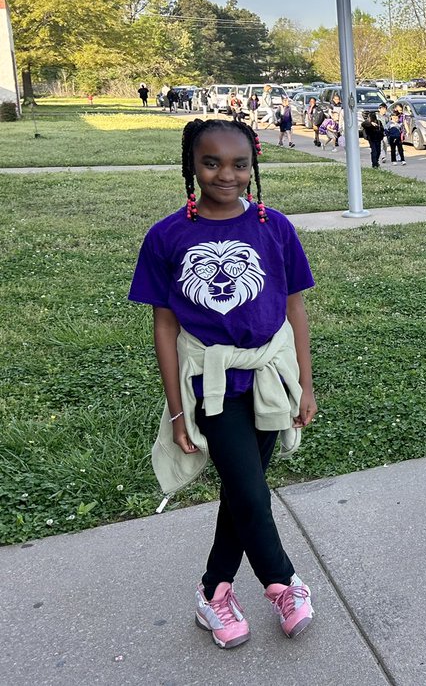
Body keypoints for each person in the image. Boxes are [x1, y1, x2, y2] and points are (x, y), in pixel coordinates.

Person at [128, 117, 317, 648]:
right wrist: (177, 409)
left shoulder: (274, 226)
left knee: (241, 491)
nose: (226, 175)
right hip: (210, 386)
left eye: (238, 164)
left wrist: (305, 380)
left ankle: (213, 592)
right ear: (191, 165)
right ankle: (284, 582)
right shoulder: (168, 235)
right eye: (211, 163)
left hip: (269, 379)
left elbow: (294, 308)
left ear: (253, 166)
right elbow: (165, 326)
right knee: (251, 495)